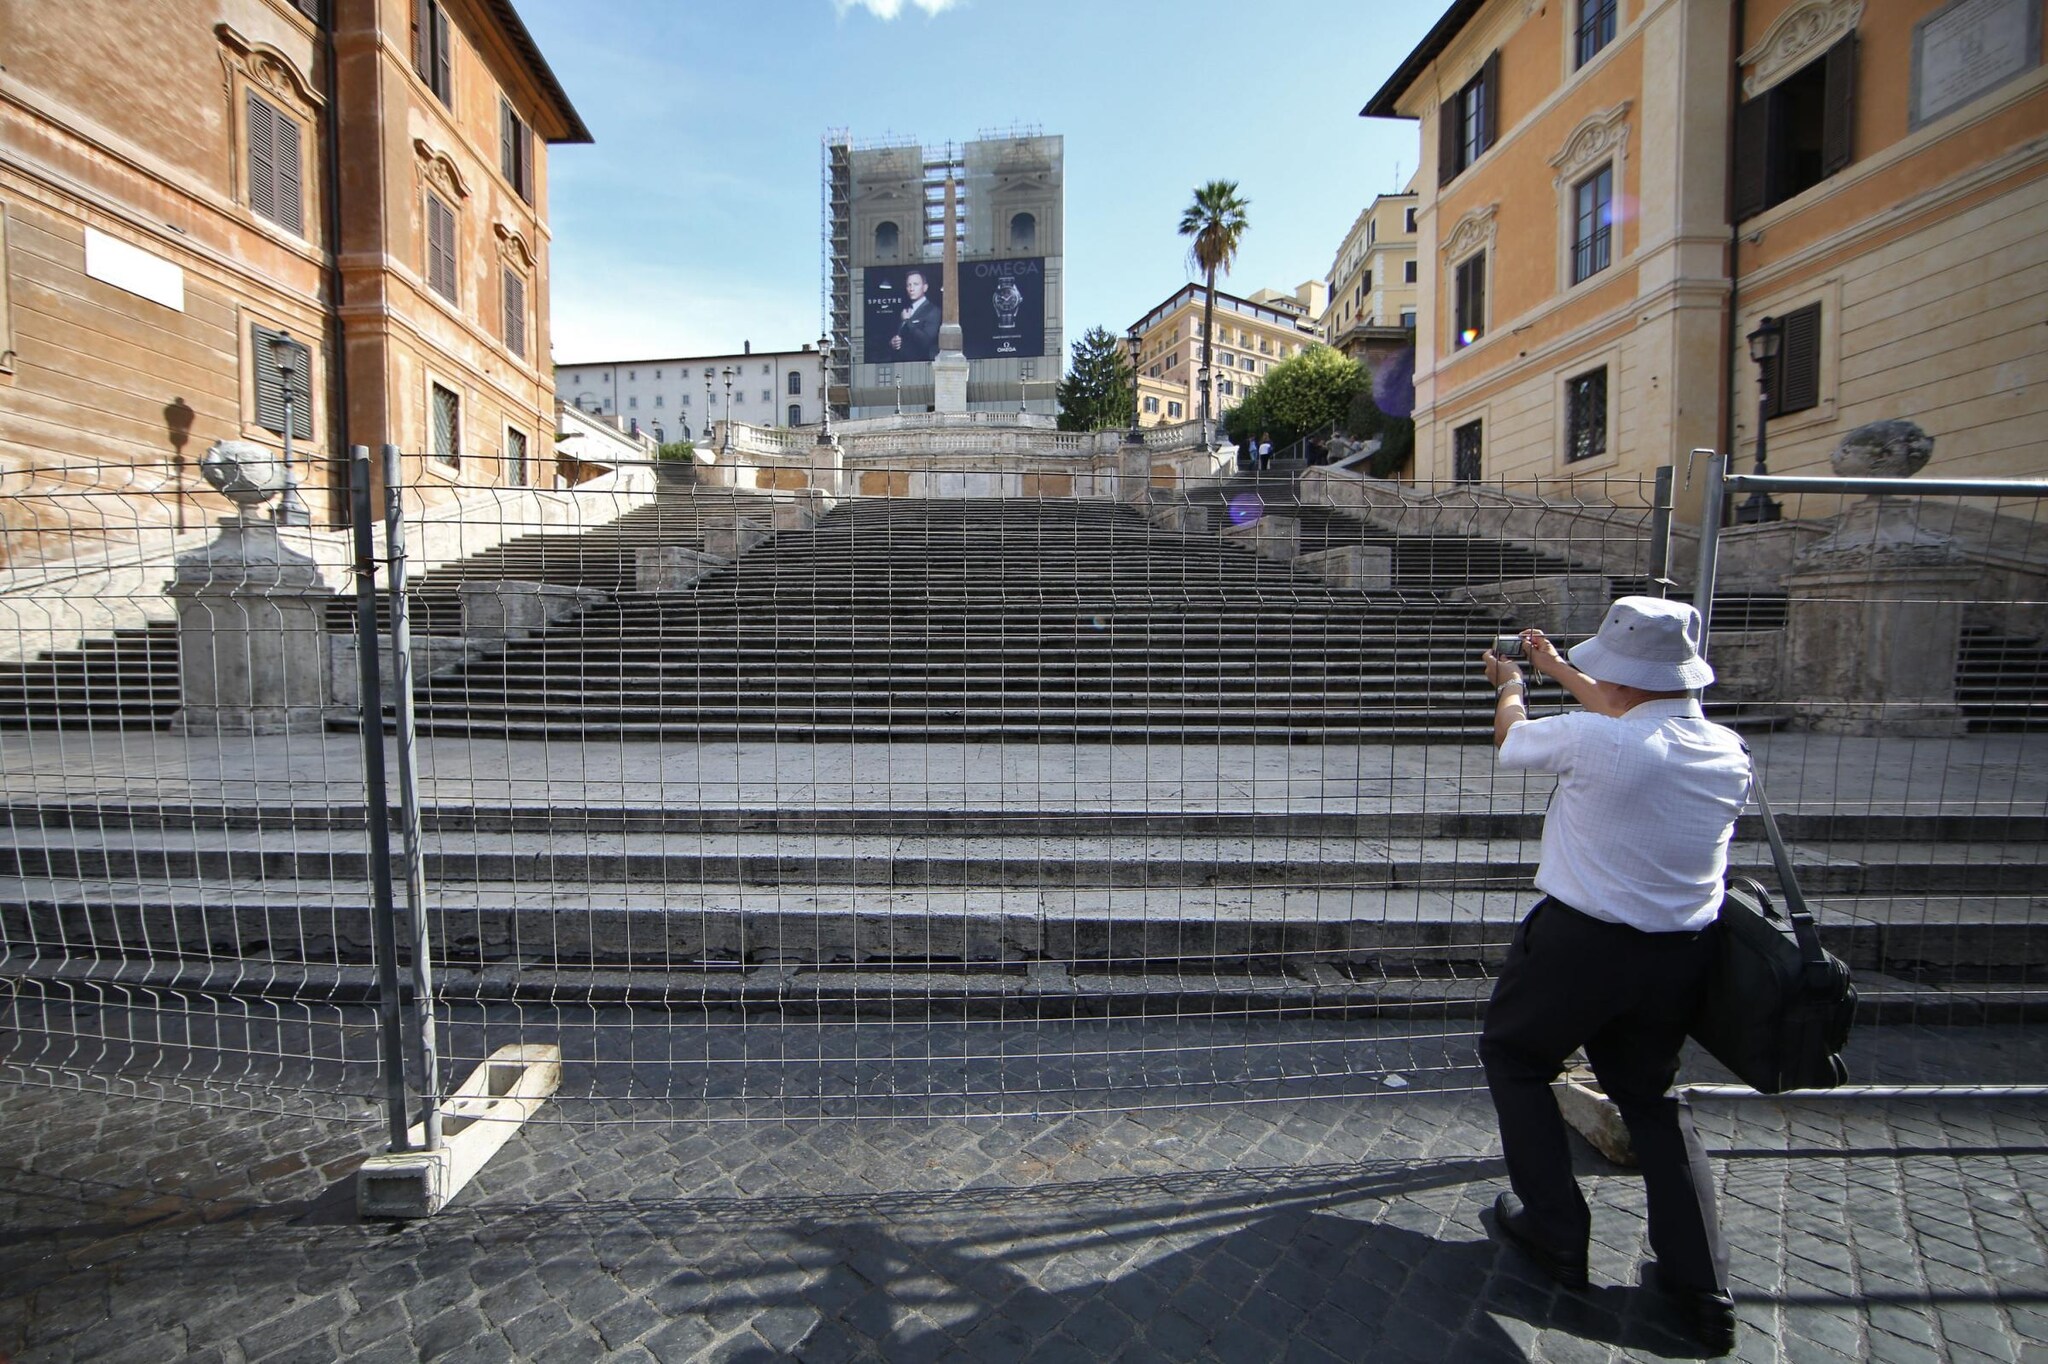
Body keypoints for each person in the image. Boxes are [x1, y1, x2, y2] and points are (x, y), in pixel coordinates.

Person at [1478, 597, 1750, 1355]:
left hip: (1581, 945)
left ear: (1622, 679)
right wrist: (1558, 666)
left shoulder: (1594, 739)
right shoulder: (1727, 750)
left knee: (1516, 1058)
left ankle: (1556, 1231)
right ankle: (1704, 1285)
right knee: (1653, 1101)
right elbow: (1637, 714)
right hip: (1679, 952)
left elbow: (1512, 741)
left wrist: (1514, 685)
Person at [890, 270, 941, 362]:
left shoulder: (933, 311)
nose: (911, 288)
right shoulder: (905, 309)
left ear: (925, 287)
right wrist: (892, 342)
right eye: (908, 285)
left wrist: (908, 321)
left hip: (920, 364)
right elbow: (899, 335)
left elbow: (926, 342)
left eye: (915, 284)